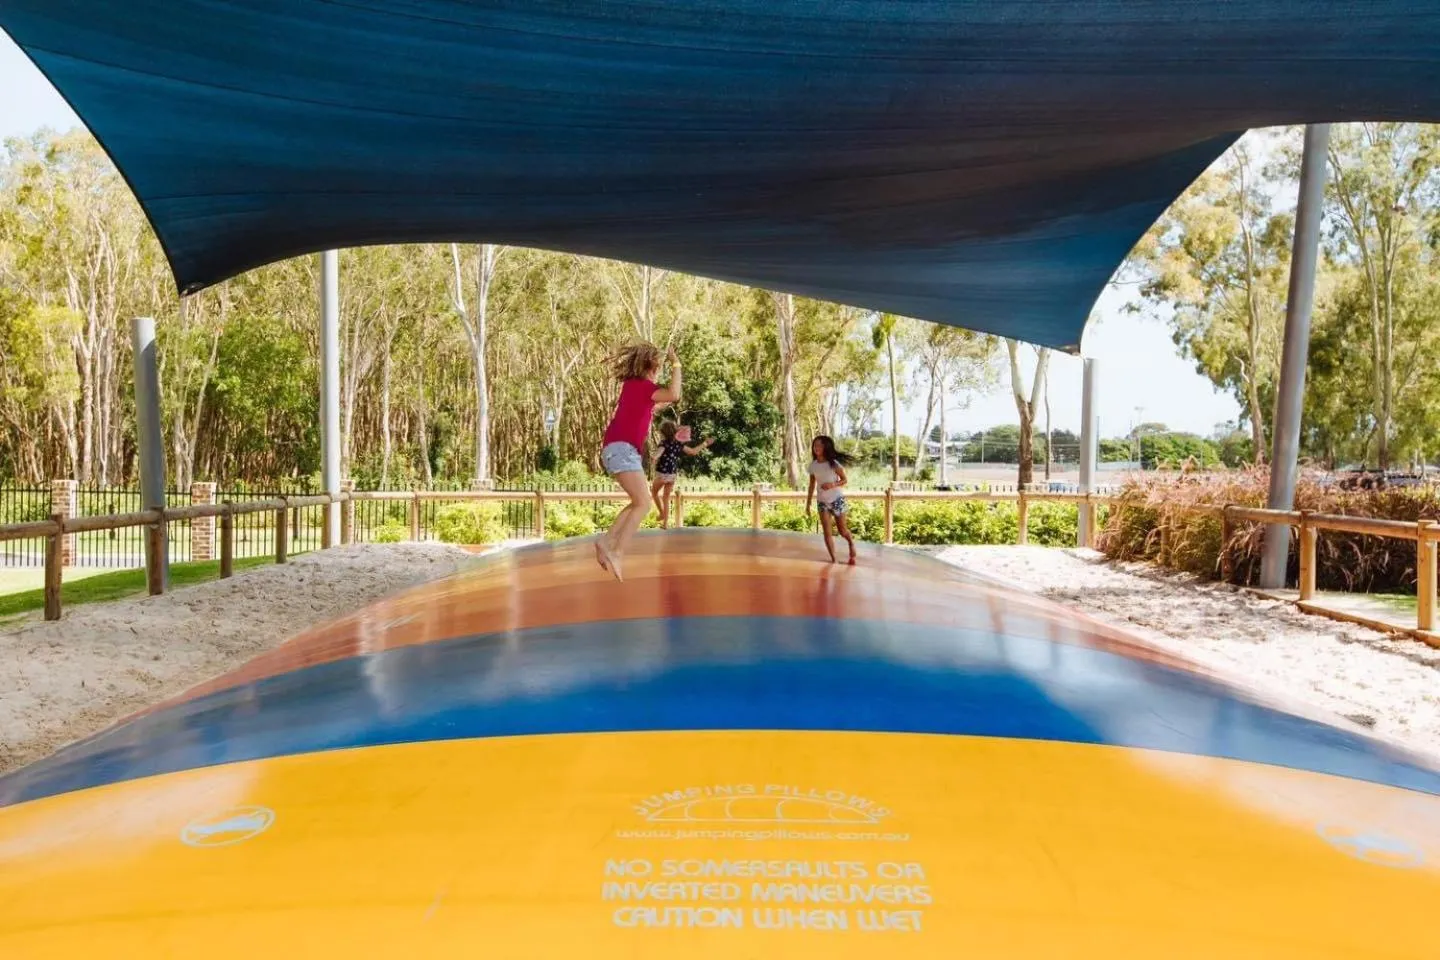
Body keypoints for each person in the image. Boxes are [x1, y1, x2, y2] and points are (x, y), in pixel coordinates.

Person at [596, 342, 681, 580]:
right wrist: (677, 363)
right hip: (622, 449)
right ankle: (617, 552)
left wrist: (656, 404)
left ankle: (606, 543)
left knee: (638, 502)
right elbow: (674, 394)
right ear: (652, 365)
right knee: (643, 503)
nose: (660, 369)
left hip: (617, 450)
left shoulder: (633, 387)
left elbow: (649, 406)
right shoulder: (643, 386)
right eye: (660, 365)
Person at [806, 435, 857, 565]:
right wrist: (808, 503)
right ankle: (834, 560)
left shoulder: (833, 464)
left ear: (825, 447)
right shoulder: (813, 466)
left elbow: (844, 480)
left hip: (837, 500)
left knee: (842, 531)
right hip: (822, 502)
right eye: (815, 445)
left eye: (819, 445)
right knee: (827, 532)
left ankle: (851, 542)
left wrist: (832, 485)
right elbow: (811, 485)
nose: (816, 448)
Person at [652, 422, 714, 528]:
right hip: (672, 475)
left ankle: (662, 513)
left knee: (653, 492)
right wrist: (705, 444)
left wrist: (654, 458)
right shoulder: (678, 444)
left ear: (663, 433)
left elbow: (658, 454)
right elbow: (693, 452)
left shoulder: (663, 443)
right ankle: (665, 524)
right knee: (666, 498)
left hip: (662, 474)